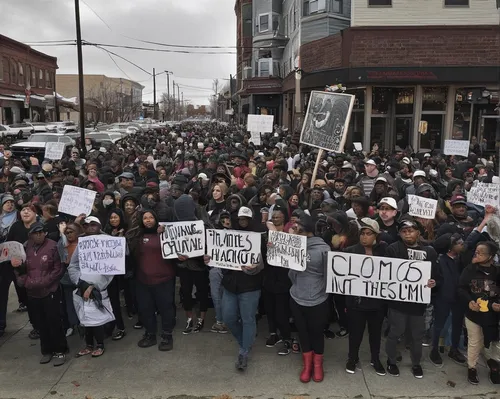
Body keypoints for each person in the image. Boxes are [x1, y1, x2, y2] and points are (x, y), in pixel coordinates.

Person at [385, 217, 437, 379]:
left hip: (418, 304)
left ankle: (416, 363)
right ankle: (391, 361)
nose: (407, 233)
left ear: (418, 233)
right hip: (397, 303)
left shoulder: (429, 251)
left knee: (417, 336)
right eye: (404, 231)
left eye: (411, 230)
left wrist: (434, 282)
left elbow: (436, 275)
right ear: (399, 234)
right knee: (395, 333)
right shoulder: (392, 249)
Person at [11, 222, 68, 366]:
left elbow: (59, 268)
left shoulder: (53, 246)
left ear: (45, 233)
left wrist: (45, 281)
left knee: (54, 321)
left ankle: (60, 351)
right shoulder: (25, 248)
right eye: (35, 233)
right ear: (30, 235)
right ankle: (46, 350)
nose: (39, 235)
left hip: (50, 291)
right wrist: (24, 281)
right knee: (40, 323)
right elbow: (20, 270)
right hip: (33, 293)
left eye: (41, 232)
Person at [289, 215, 331, 383]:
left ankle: (318, 365)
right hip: (297, 297)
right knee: (303, 332)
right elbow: (290, 271)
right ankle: (307, 365)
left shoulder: (323, 249)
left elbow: (329, 276)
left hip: (318, 300)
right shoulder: (292, 246)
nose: (292, 230)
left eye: (296, 228)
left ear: (305, 230)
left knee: (316, 333)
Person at [344, 218, 387, 376]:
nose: (364, 237)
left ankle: (375, 359)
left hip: (377, 304)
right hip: (357, 303)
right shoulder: (350, 251)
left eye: (369, 234)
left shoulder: (384, 252)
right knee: (355, 334)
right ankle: (352, 358)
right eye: (362, 233)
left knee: (375, 335)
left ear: (376, 236)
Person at [128, 210, 176, 351]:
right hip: (142, 280)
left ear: (156, 219)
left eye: (150, 217)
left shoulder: (165, 233)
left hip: (164, 279)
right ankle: (150, 334)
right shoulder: (137, 235)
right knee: (145, 308)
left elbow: (176, 248)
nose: (148, 220)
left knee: (166, 308)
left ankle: (167, 335)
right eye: (145, 218)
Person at [68, 216, 114, 358]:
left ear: (99, 226)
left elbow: (111, 268)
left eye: (93, 224)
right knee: (85, 319)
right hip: (82, 285)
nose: (90, 228)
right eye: (86, 225)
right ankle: (88, 345)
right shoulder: (82, 243)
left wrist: (95, 285)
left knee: (97, 319)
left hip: (98, 287)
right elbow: (73, 265)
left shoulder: (109, 242)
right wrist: (80, 282)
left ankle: (100, 344)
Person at [459, 241, 500, 385]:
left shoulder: (497, 272)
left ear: (491, 256)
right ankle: (472, 368)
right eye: (476, 251)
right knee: (474, 342)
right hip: (474, 315)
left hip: (492, 316)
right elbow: (461, 288)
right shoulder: (469, 270)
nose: (477, 254)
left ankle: (494, 367)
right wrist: (469, 301)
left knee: (494, 343)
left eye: (481, 253)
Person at [174, 194, 209, 334]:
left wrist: (203, 256)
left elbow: (209, 244)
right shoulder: (174, 225)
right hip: (184, 266)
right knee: (186, 292)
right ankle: (189, 319)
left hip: (199, 266)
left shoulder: (202, 224)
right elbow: (171, 246)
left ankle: (201, 318)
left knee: (202, 292)